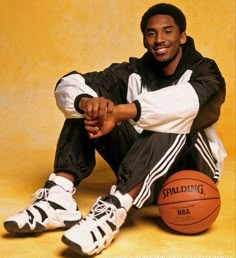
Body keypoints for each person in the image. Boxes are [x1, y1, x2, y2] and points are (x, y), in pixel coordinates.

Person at [4, 3, 226, 256]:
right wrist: (88, 103)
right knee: (88, 106)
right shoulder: (132, 71)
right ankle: (59, 197)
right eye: (151, 33)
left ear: (182, 36)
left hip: (190, 172)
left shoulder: (205, 70)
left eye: (167, 31)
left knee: (173, 120)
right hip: (142, 169)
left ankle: (114, 208)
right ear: (144, 38)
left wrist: (120, 112)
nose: (159, 39)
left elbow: (192, 103)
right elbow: (70, 83)